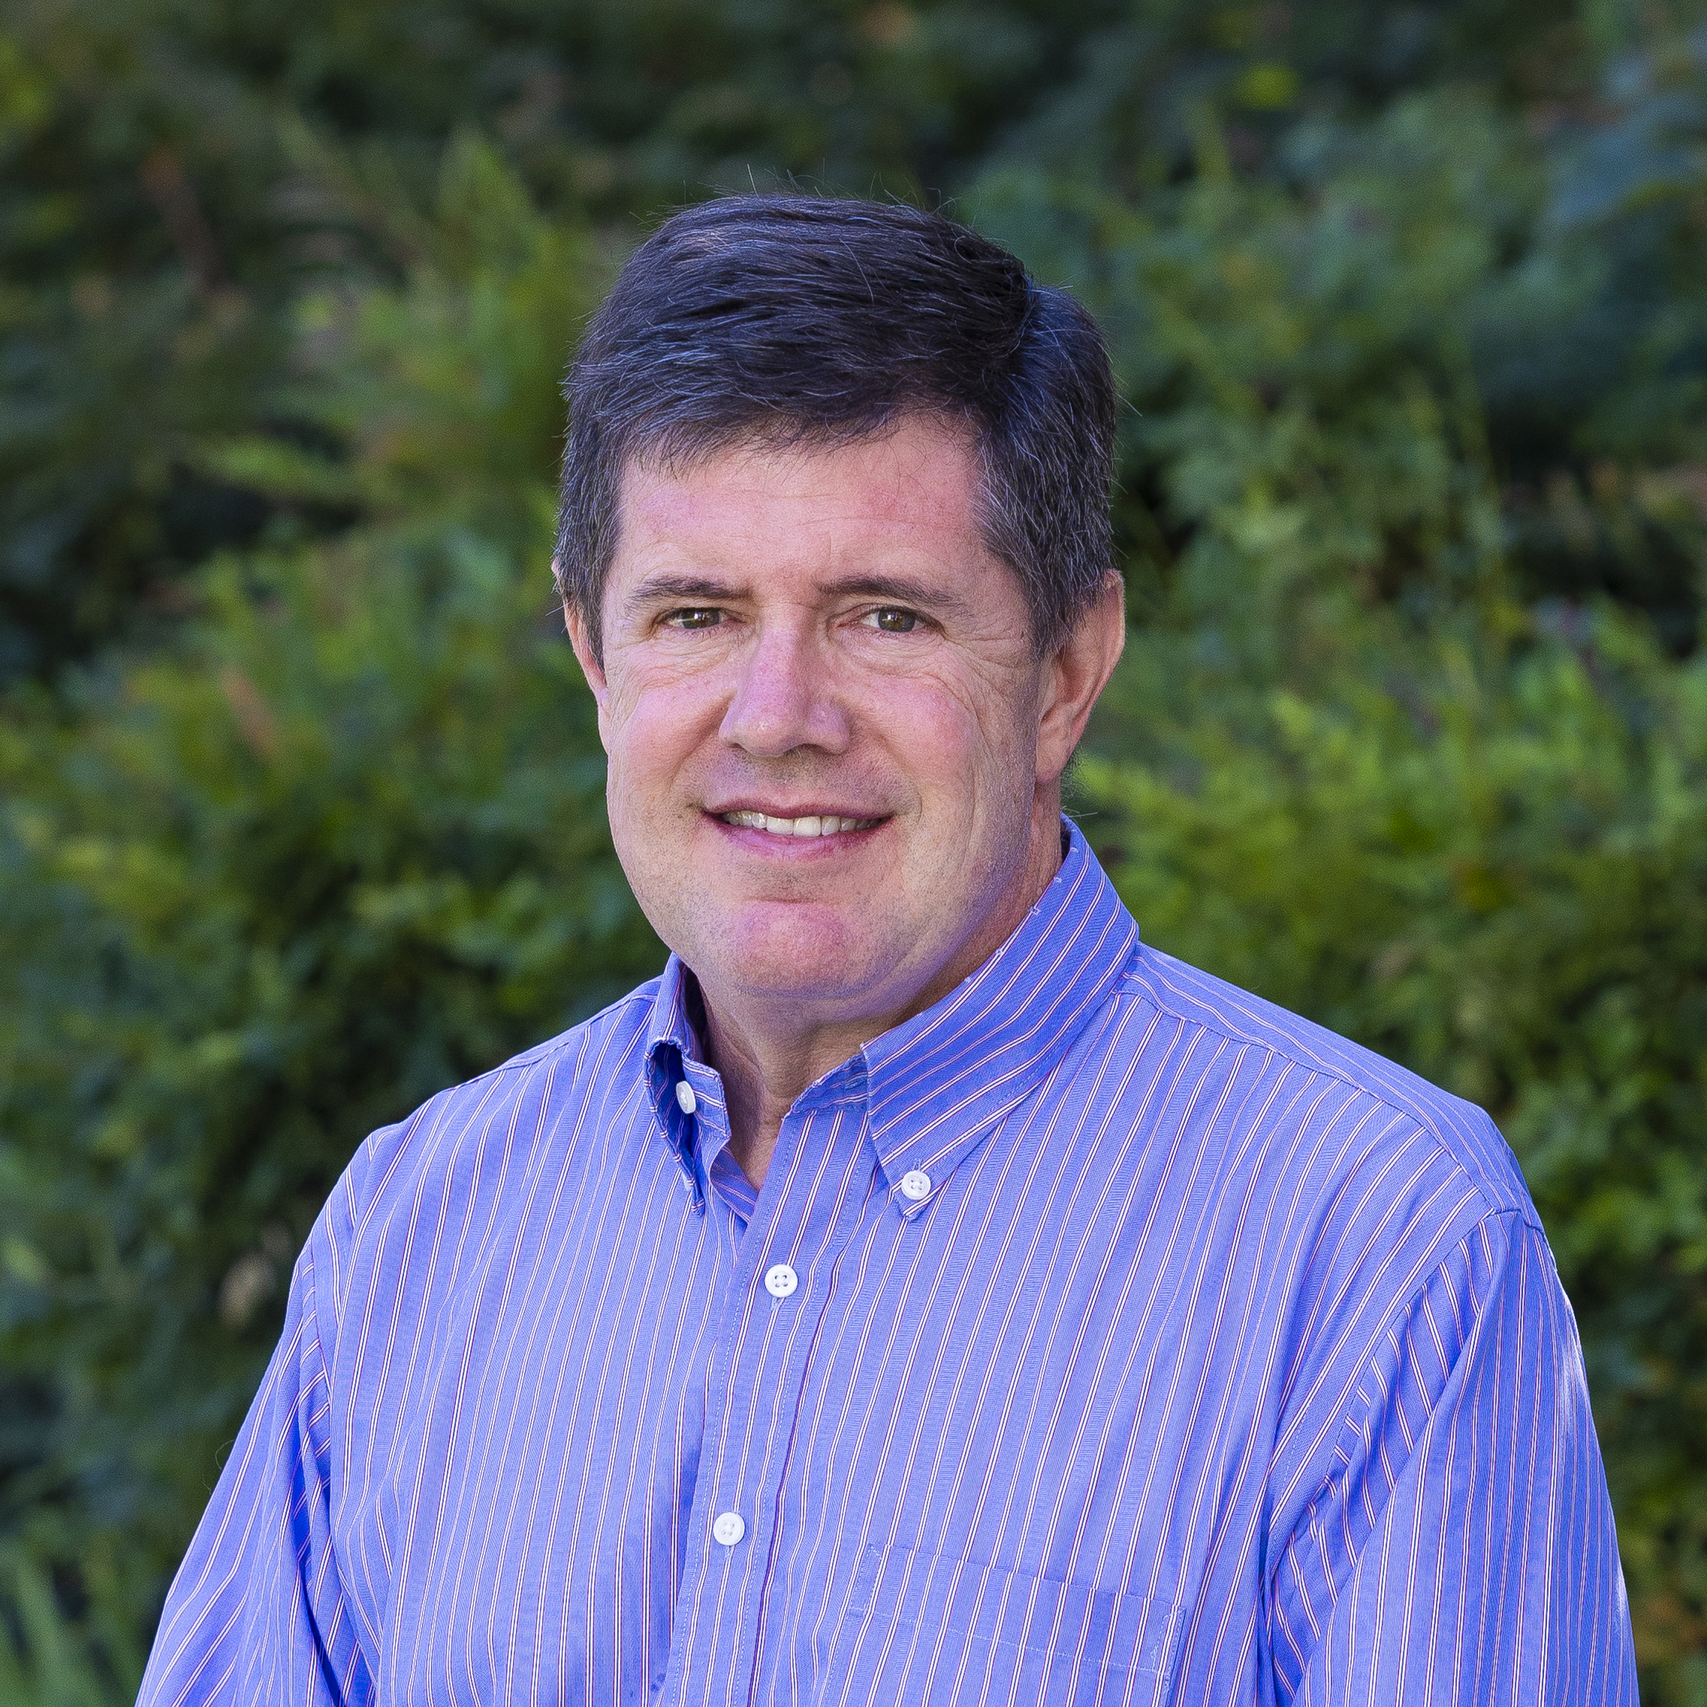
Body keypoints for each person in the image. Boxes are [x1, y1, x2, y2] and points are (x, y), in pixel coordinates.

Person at [137, 195, 1636, 1706]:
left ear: (1066, 672)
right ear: (594, 656)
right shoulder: (415, 1229)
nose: (778, 715)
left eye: (886, 618)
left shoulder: (1379, 1249)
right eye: (697, 615)